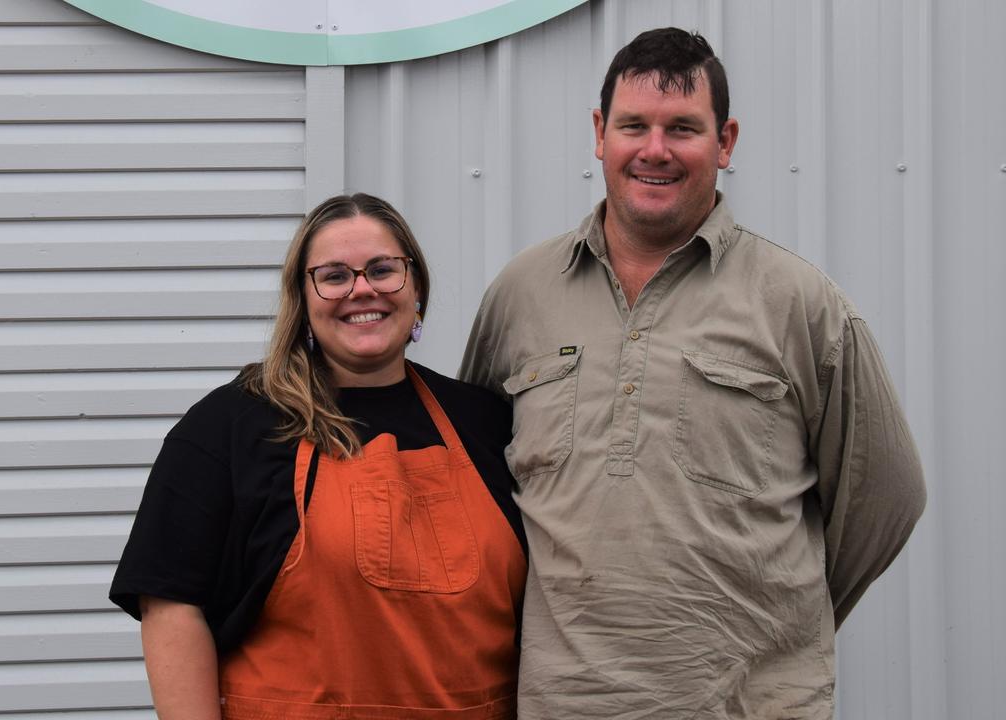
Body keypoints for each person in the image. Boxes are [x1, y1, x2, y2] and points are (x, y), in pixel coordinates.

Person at [459, 27, 926, 719]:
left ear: (725, 141)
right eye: (633, 125)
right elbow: (471, 491)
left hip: (747, 704)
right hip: (562, 702)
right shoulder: (522, 294)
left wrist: (776, 626)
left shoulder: (798, 302)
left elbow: (886, 497)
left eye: (683, 127)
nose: (655, 149)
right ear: (599, 133)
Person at [111, 193, 527, 719]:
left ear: (415, 285)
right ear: (303, 297)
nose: (362, 289)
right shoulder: (233, 427)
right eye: (333, 276)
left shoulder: (485, 422)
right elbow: (169, 604)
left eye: (383, 269)